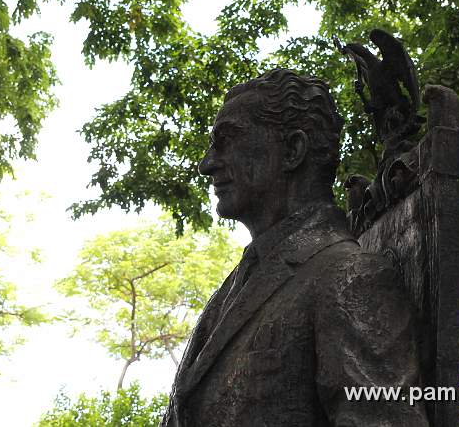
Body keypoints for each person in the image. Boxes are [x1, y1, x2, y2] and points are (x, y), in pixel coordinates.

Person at [161, 68, 428, 427]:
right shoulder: (240, 283)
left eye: (227, 140)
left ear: (293, 150)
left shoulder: (350, 277)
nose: (206, 164)